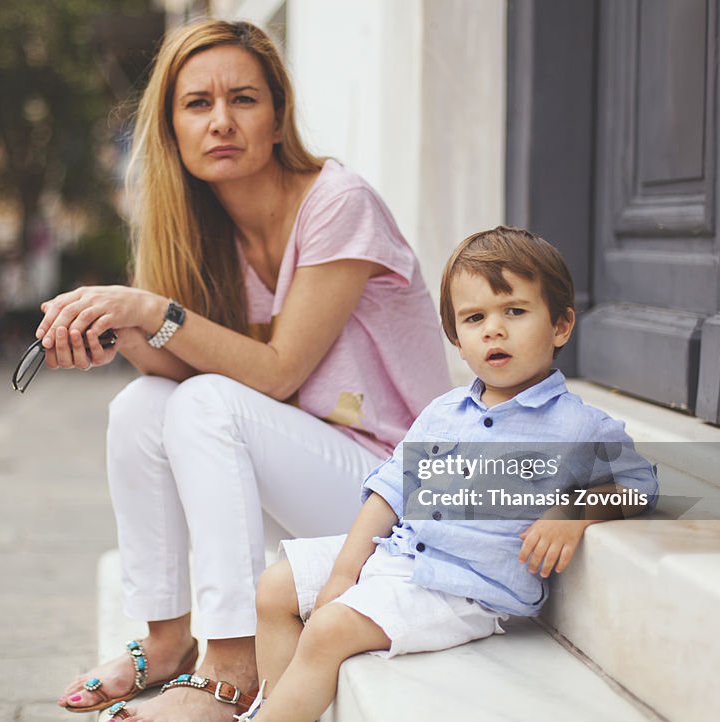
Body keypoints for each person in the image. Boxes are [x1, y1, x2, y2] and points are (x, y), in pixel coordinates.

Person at [37, 19, 450, 721]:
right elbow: (187, 364)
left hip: (404, 488)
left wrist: (150, 307)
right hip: (317, 473)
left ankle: (233, 665)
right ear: (171, 128)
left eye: (244, 100)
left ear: (279, 115)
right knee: (139, 405)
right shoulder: (200, 231)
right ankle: (168, 642)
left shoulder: (337, 203)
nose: (221, 121)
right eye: (197, 104)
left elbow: (279, 372)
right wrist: (126, 334)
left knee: (205, 403)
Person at [232, 226, 659, 722]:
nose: (493, 330)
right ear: (457, 339)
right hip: (399, 552)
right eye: (475, 318)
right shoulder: (444, 411)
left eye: (515, 312)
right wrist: (346, 569)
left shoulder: (579, 426)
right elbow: (392, 491)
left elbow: (638, 484)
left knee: (328, 629)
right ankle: (277, 709)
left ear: (561, 326)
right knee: (274, 588)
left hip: (460, 588)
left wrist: (574, 511)